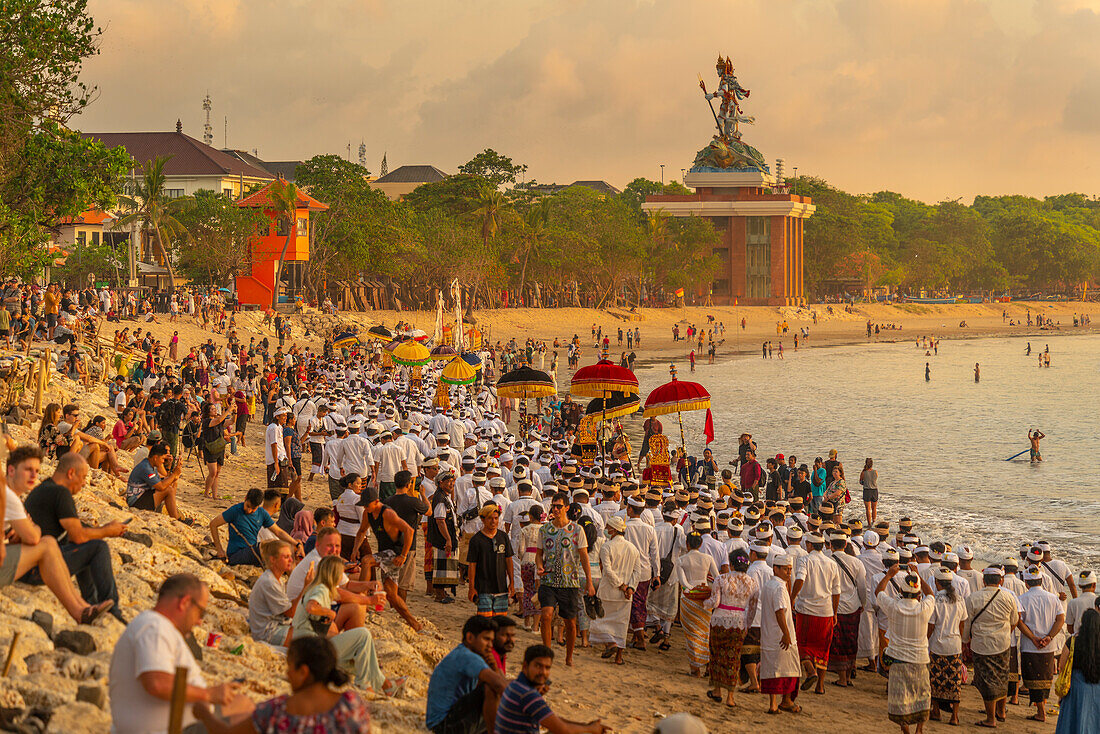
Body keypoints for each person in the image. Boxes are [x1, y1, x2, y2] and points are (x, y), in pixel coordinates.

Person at [109, 574, 242, 734]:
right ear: (185, 602)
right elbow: (158, 683)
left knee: (247, 708)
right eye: (201, 612)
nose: (200, 621)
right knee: (255, 718)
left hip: (179, 724)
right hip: (169, 729)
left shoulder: (158, 627)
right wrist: (208, 694)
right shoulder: (155, 627)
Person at [2, 445, 114, 625]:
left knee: (49, 543)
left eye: (37, 471)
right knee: (48, 543)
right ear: (11, 470)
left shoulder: (13, 497)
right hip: (9, 567)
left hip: (11, 560)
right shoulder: (10, 498)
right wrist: (34, 528)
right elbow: (33, 537)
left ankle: (84, 607)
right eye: (28, 470)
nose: (34, 476)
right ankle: (85, 610)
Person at [193, 635, 372, 733]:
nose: (287, 673)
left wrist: (204, 713)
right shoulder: (350, 704)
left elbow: (225, 733)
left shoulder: (276, 711)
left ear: (303, 672)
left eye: (289, 667)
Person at [290, 554, 402, 697]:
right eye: (341, 573)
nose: (343, 577)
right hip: (309, 649)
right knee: (363, 635)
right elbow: (312, 607)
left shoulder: (320, 587)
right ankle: (364, 685)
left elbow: (345, 595)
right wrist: (330, 613)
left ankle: (386, 686)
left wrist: (369, 593)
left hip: (304, 647)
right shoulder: (321, 590)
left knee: (360, 658)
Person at [348, 482, 423, 631]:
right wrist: (355, 549)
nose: (365, 507)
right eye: (364, 505)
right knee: (391, 596)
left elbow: (409, 531)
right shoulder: (367, 513)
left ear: (376, 501)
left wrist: (403, 555)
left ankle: (362, 599)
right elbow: (361, 532)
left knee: (366, 561)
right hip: (385, 552)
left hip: (395, 552)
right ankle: (415, 624)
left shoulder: (387, 513)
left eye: (367, 505)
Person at [494, 644, 611, 734]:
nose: (543, 672)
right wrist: (591, 729)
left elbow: (552, 719)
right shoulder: (528, 694)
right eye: (538, 666)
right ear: (525, 666)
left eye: (547, 668)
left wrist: (586, 726)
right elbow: (563, 729)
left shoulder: (515, 685)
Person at [535, 491, 595, 667]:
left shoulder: (577, 530)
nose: (555, 509)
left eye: (559, 506)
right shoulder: (545, 529)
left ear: (567, 508)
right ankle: (547, 654)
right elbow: (539, 554)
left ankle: (569, 656)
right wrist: (539, 566)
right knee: (546, 615)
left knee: (570, 621)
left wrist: (589, 582)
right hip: (549, 579)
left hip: (570, 581)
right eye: (553, 506)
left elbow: (584, 556)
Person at [876, 566, 935, 734]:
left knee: (901, 700)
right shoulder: (924, 608)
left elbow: (879, 592)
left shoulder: (894, 607)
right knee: (922, 697)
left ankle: (907, 732)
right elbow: (930, 594)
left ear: (901, 590)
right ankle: (919, 730)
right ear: (918, 594)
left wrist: (889, 575)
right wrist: (919, 576)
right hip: (920, 659)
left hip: (898, 660)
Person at [426, 615, 508, 734]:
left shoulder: (463, 653)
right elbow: (499, 685)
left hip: (445, 721)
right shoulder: (467, 656)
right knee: (491, 689)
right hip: (443, 725)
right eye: (486, 639)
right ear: (469, 638)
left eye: (492, 641)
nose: (490, 645)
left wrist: (494, 667)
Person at [964, 566, 1020, 728]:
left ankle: (990, 718)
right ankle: (1001, 712)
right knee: (1002, 677)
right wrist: (1005, 632)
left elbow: (967, 623)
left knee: (986, 680)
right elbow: (1014, 619)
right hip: (1003, 643)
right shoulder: (1008, 597)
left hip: (981, 644)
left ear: (983, 580)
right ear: (1000, 580)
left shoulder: (973, 598)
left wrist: (965, 640)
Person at [705, 546, 758, 707]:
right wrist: (747, 624)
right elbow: (753, 609)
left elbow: (715, 602)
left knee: (717, 656)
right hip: (739, 622)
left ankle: (717, 691)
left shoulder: (721, 579)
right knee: (733, 658)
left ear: (732, 564)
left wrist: (703, 602)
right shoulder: (752, 583)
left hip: (719, 619)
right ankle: (730, 697)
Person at [791, 532, 840, 694]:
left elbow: (800, 579)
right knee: (822, 649)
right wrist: (834, 612)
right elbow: (836, 591)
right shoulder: (831, 563)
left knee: (803, 645)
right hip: (825, 611)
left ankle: (810, 670)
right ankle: (820, 685)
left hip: (806, 609)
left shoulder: (805, 560)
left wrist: (792, 597)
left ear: (810, 545)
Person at [589, 515, 641, 665]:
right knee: (621, 625)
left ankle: (610, 644)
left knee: (601, 622)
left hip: (609, 591)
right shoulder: (633, 548)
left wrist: (623, 586)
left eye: (607, 528)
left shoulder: (607, 547)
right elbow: (637, 572)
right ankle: (618, 656)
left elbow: (608, 571)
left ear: (612, 530)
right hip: (625, 595)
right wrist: (630, 587)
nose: (605, 530)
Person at [1017, 564, 1065, 722]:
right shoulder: (1053, 598)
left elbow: (1019, 622)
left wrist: (1032, 637)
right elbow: (1060, 619)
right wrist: (1049, 637)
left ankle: (1041, 711)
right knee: (1045, 677)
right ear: (1041, 580)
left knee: (1032, 678)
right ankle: (1041, 707)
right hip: (1047, 646)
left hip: (1030, 645)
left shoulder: (1022, 599)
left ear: (1026, 582)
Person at [209, 487, 301, 566]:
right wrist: (220, 549)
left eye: (253, 508)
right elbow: (213, 524)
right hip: (237, 554)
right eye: (247, 506)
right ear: (245, 499)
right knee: (267, 545)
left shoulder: (262, 513)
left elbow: (278, 532)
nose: (249, 510)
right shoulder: (235, 511)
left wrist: (296, 544)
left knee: (286, 550)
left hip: (252, 551)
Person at [673, 531, 720, 677]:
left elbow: (684, 582)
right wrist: (704, 590)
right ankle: (706, 665)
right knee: (704, 633)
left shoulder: (682, 560)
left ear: (687, 544)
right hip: (704, 599)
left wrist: (692, 591)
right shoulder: (707, 558)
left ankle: (695, 668)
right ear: (700, 544)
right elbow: (717, 578)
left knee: (691, 634)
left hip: (689, 599)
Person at [760, 552, 802, 715]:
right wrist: (786, 633)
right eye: (785, 569)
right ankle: (786, 701)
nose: (788, 573)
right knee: (788, 670)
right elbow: (780, 612)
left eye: (790, 569)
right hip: (781, 636)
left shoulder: (769, 585)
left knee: (773, 670)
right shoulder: (778, 587)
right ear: (775, 569)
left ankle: (773, 704)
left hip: (770, 635)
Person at [248, 540, 311, 646]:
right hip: (267, 632)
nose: (291, 560)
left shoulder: (278, 579)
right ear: (273, 560)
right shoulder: (269, 582)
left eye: (290, 556)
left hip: (275, 625)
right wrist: (305, 587)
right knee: (312, 638)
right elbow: (290, 612)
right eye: (286, 557)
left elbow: (287, 608)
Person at [927, 567, 967, 725]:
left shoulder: (936, 599)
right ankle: (954, 716)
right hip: (955, 644)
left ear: (937, 582)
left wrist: (925, 641)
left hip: (938, 644)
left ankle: (936, 711)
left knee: (936, 680)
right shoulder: (959, 599)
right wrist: (961, 640)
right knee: (954, 682)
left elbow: (931, 625)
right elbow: (962, 623)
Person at [1054, 608, 1100, 734]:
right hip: (1097, 688)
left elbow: (1062, 665)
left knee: (1072, 722)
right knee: (1094, 721)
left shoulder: (1073, 641)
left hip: (1075, 686)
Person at [466, 501, 515, 618]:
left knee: (500, 622)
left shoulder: (503, 537)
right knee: (485, 622)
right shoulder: (476, 540)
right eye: (490, 518)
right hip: (483, 588)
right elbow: (472, 565)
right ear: (483, 520)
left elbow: (508, 560)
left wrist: (512, 583)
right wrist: (471, 588)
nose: (493, 521)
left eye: (496, 518)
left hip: (501, 587)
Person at [125, 442, 183, 520]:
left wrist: (175, 474)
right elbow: (161, 486)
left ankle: (176, 517)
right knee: (169, 490)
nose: (163, 461)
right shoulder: (146, 467)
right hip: (136, 502)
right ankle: (176, 519)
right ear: (155, 458)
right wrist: (173, 475)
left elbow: (163, 481)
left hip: (141, 496)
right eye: (162, 459)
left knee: (169, 487)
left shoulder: (150, 464)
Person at [860, 458, 878, 525]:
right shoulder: (875, 472)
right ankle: (874, 521)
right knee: (874, 508)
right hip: (874, 490)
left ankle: (869, 524)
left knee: (868, 508)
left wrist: (864, 482)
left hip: (867, 490)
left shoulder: (864, 472)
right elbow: (875, 480)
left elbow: (860, 481)